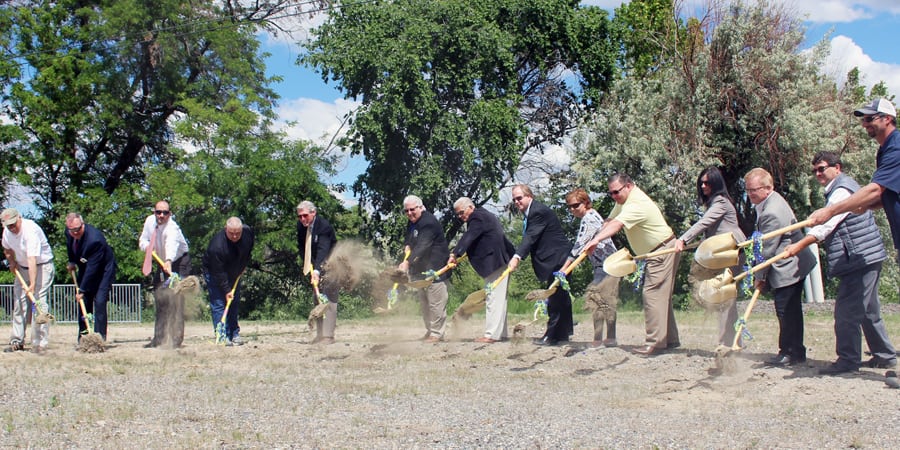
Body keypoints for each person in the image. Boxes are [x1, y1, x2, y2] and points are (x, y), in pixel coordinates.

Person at [785, 152, 896, 373]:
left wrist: (798, 246)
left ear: (837, 168)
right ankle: (884, 355)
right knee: (868, 310)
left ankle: (848, 360)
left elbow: (826, 225)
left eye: (822, 168)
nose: (818, 174)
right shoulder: (841, 188)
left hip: (858, 257)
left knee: (846, 312)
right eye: (815, 170)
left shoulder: (842, 190)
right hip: (867, 255)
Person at [584, 174, 680, 355]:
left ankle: (655, 343)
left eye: (616, 192)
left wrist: (596, 240)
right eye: (611, 193)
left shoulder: (636, 203)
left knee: (652, 295)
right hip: (657, 250)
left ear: (628, 186)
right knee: (661, 296)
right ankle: (670, 339)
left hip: (662, 250)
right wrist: (594, 238)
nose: (614, 196)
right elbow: (609, 221)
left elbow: (617, 225)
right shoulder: (623, 201)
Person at [809, 98, 900, 263]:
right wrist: (867, 205)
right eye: (863, 120)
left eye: (869, 119)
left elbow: (876, 189)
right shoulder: (885, 150)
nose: (864, 124)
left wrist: (830, 211)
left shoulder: (896, 148)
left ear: (887, 119)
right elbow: (888, 193)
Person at [744, 168, 816, 366]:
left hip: (789, 266)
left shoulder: (771, 212)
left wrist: (759, 276)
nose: (749, 194)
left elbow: (767, 250)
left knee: (786, 310)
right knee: (790, 309)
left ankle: (790, 352)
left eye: (753, 190)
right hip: (790, 262)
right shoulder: (769, 201)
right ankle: (794, 350)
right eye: (747, 190)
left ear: (768, 188)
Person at [674, 167, 744, 349]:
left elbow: (704, 223)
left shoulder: (721, 202)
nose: (703, 186)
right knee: (725, 297)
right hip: (722, 254)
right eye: (701, 183)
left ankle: (726, 343)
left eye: (707, 183)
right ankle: (733, 342)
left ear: (716, 184)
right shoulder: (714, 203)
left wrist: (683, 239)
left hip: (731, 253)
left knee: (724, 297)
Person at [507, 184, 572, 346]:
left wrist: (517, 257)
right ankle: (562, 334)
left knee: (555, 297)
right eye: (514, 199)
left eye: (519, 198)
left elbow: (530, 237)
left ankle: (551, 335)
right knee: (560, 296)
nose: (516, 202)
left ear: (529, 196)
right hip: (556, 258)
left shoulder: (537, 212)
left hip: (557, 259)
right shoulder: (531, 213)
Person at [449, 197, 515, 343]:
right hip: (501, 260)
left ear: (470, 207)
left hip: (494, 262)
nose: (460, 217)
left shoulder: (477, 217)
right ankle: (501, 333)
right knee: (499, 298)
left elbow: (469, 236)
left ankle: (491, 335)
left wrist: (455, 254)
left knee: (493, 297)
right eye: (458, 214)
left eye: (461, 212)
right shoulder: (485, 215)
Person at [559, 188, 619, 348]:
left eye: (576, 205)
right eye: (569, 207)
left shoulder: (589, 218)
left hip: (606, 263)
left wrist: (564, 268)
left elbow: (579, 245)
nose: (572, 209)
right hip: (606, 263)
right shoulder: (591, 216)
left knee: (596, 297)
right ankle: (610, 338)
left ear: (586, 203)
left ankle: (598, 340)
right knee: (607, 300)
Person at [1, 208, 54, 354]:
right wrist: (12, 262)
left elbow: (32, 259)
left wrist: (32, 284)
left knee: (39, 302)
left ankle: (39, 343)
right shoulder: (7, 232)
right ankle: (17, 341)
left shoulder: (30, 230)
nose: (12, 228)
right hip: (22, 267)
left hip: (42, 266)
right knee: (19, 302)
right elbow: (6, 248)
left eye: (13, 224)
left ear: (19, 218)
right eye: (8, 226)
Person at [138, 200, 191, 348]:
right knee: (160, 297)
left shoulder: (172, 228)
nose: (161, 215)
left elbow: (171, 244)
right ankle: (159, 339)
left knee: (177, 299)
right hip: (161, 262)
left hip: (179, 261)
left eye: (165, 213)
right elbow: (142, 240)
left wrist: (168, 260)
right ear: (154, 212)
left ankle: (176, 340)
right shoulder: (149, 222)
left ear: (170, 214)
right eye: (158, 212)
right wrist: (147, 247)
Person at [401, 195, 450, 343]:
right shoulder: (412, 222)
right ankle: (430, 331)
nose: (409, 213)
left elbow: (423, 245)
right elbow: (410, 239)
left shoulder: (429, 222)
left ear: (421, 207)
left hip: (435, 268)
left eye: (412, 209)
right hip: (421, 269)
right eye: (406, 211)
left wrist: (407, 263)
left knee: (436, 302)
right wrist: (407, 246)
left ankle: (437, 333)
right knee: (425, 303)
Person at [65, 212, 117, 342]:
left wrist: (82, 290)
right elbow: (70, 247)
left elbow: (92, 269)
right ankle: (84, 336)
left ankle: (99, 339)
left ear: (82, 224)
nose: (75, 233)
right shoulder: (69, 232)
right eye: (71, 230)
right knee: (84, 302)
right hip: (86, 267)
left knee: (99, 301)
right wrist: (72, 262)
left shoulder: (95, 240)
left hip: (103, 270)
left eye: (77, 229)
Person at [203, 217, 254, 346]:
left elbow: (248, 250)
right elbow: (218, 272)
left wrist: (244, 265)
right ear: (226, 229)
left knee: (233, 303)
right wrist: (226, 290)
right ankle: (222, 335)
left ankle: (234, 334)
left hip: (234, 272)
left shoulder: (248, 233)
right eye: (231, 233)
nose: (235, 236)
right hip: (215, 273)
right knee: (220, 303)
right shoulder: (217, 246)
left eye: (238, 233)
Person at [296, 201, 339, 345]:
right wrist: (308, 265)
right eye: (300, 216)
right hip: (315, 265)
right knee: (318, 297)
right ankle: (320, 334)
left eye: (305, 215)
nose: (302, 219)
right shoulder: (301, 226)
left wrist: (317, 270)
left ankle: (328, 336)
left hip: (331, 263)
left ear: (313, 213)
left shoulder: (324, 226)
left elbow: (323, 250)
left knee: (328, 298)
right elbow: (302, 247)